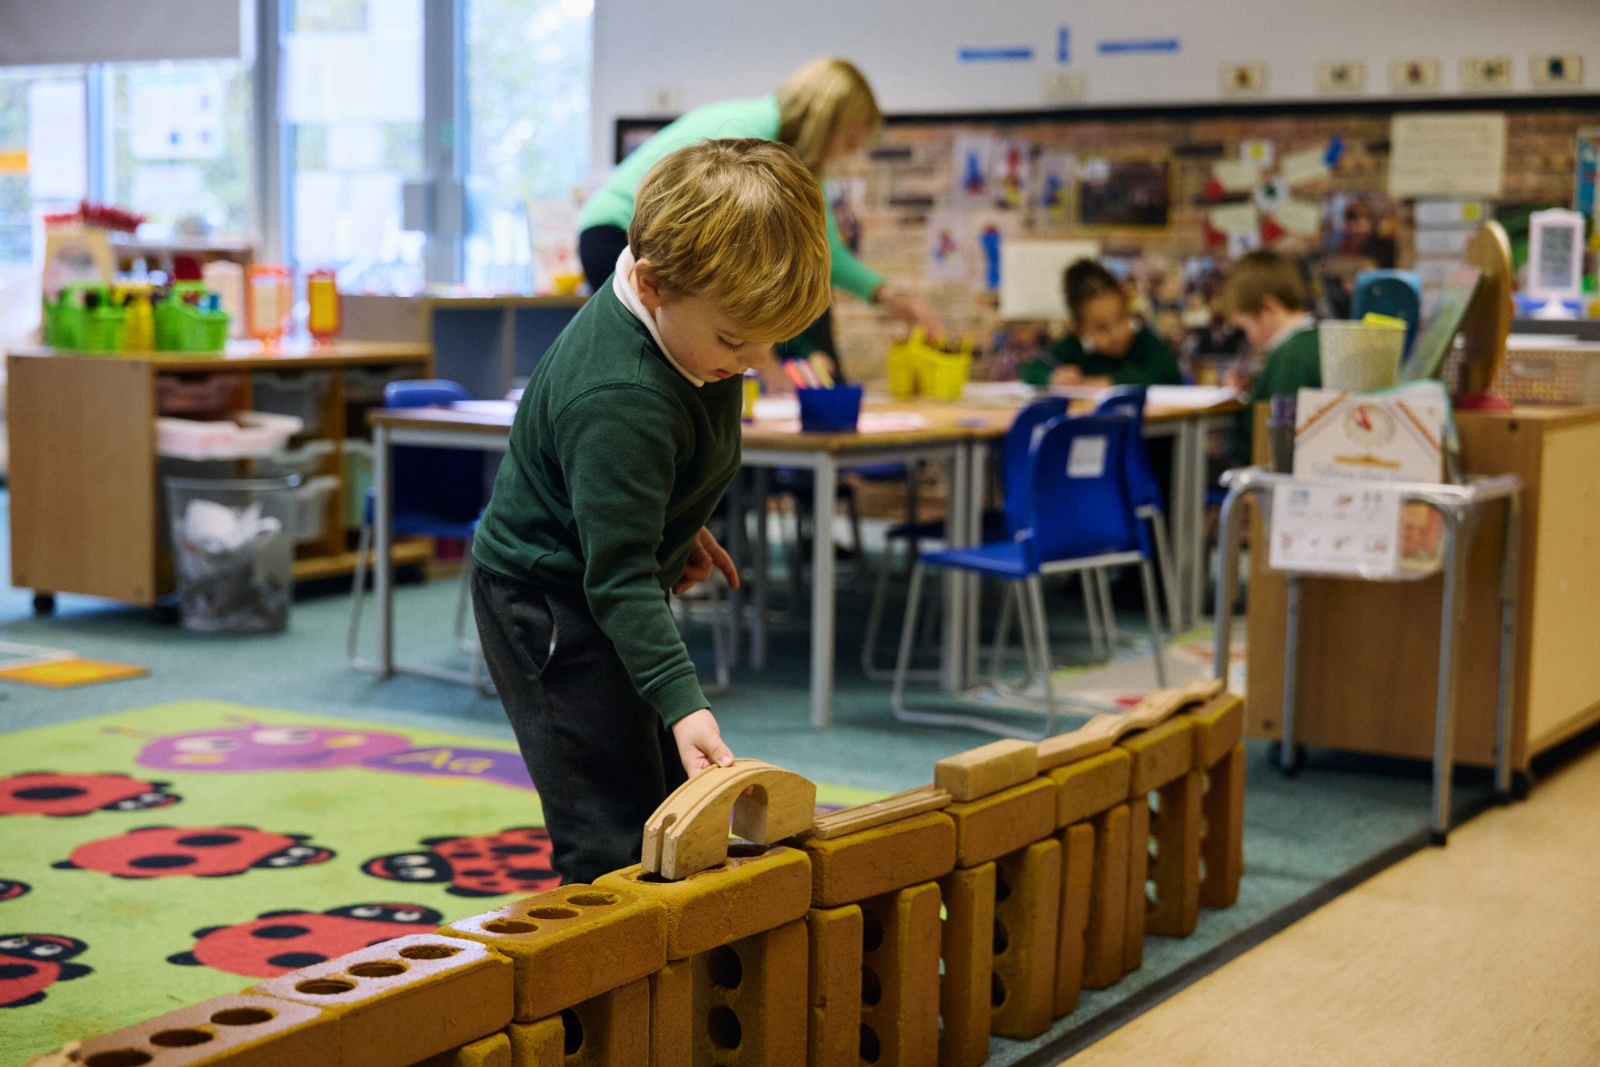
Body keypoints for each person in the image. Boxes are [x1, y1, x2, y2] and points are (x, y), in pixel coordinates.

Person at [471, 139, 833, 884]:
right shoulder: (622, 396)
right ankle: (599, 960)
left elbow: (647, 479)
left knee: (665, 805)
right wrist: (685, 703)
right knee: (607, 828)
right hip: (547, 600)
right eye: (734, 341)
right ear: (651, 284)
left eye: (768, 344)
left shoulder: (695, 330)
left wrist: (674, 520)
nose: (751, 361)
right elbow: (619, 577)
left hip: (606, 572)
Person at [577, 57, 942, 373]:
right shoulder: (750, 141)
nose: (845, 154)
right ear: (825, 122)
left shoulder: (794, 157)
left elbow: (824, 248)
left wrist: (885, 294)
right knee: (669, 364)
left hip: (638, 233)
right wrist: (769, 368)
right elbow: (738, 281)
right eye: (847, 141)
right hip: (615, 232)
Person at [1221, 249, 1321, 464]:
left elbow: (1272, 438)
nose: (1248, 338)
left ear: (1269, 308)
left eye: (1245, 327)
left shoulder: (1289, 358)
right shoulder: (1314, 340)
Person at [1017, 259, 1183, 388]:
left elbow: (1169, 373)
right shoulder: (1074, 347)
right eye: (1101, 328)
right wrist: (1052, 378)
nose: (1116, 334)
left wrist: (1112, 381)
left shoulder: (1142, 341)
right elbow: (1030, 370)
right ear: (1079, 329)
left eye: (1121, 318)